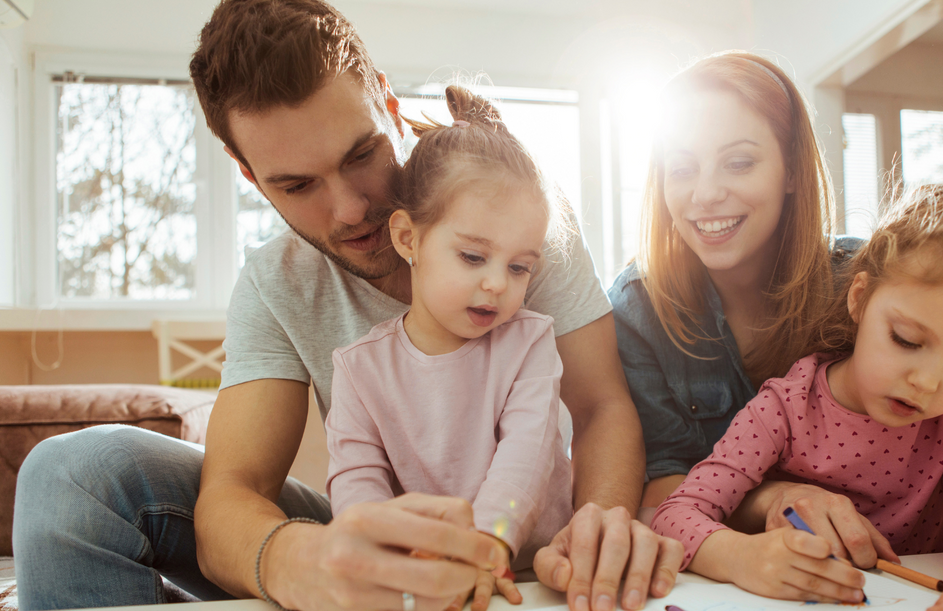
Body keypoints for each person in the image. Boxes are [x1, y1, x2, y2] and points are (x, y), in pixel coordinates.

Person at [12, 2, 684, 610]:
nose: (351, 208)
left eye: (361, 153)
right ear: (247, 173)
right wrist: (297, 558)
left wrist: (596, 526)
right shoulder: (276, 284)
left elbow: (601, 406)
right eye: (298, 184)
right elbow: (231, 494)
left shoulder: (512, 219)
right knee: (68, 476)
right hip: (376, 535)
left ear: (387, 103)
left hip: (532, 530)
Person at [654, 177, 943, 611]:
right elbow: (675, 516)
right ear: (859, 298)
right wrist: (740, 557)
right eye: (906, 339)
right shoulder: (784, 408)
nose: (927, 382)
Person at [609, 50, 896, 578]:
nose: (705, 194)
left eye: (739, 162)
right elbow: (663, 481)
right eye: (682, 167)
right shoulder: (638, 309)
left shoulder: (861, 283)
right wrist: (775, 498)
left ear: (791, 169)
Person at [326, 85, 573, 611]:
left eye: (518, 267)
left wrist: (484, 546)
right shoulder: (359, 369)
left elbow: (524, 459)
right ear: (408, 239)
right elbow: (356, 480)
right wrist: (386, 554)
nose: (496, 285)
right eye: (472, 257)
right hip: (426, 579)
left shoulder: (529, 341)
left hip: (533, 575)